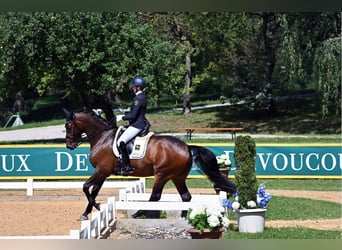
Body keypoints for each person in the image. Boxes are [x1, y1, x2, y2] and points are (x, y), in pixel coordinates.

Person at [117, 76, 150, 175]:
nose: (132, 88)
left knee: (121, 141)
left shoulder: (139, 98)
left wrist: (122, 117)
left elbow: (133, 115)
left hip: (137, 125)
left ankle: (127, 166)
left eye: (134, 87)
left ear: (138, 87)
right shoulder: (140, 97)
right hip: (137, 123)